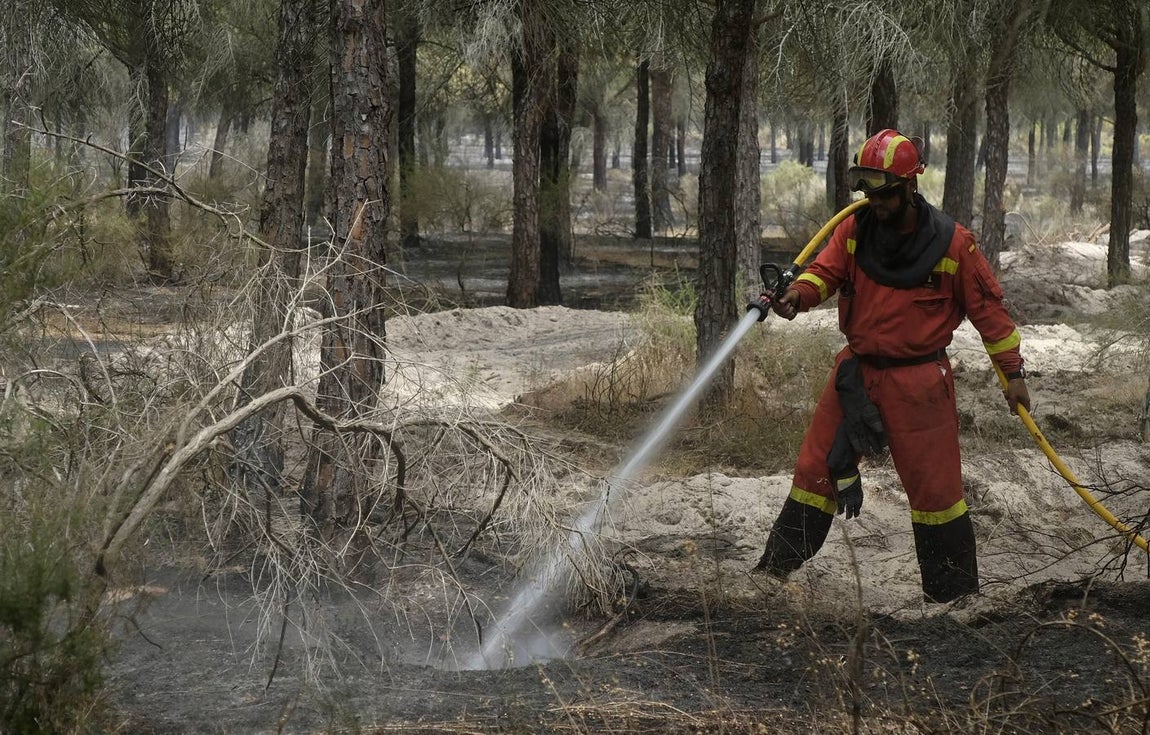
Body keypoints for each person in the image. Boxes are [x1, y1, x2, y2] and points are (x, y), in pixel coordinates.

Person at [754, 128, 1031, 603]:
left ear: (909, 187)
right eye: (867, 193)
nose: (874, 205)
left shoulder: (954, 246)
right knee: (814, 471)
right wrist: (796, 297)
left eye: (883, 195)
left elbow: (991, 315)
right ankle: (770, 576)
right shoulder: (855, 229)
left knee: (937, 495)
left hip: (920, 384)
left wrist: (1015, 375)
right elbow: (823, 273)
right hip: (856, 374)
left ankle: (953, 602)